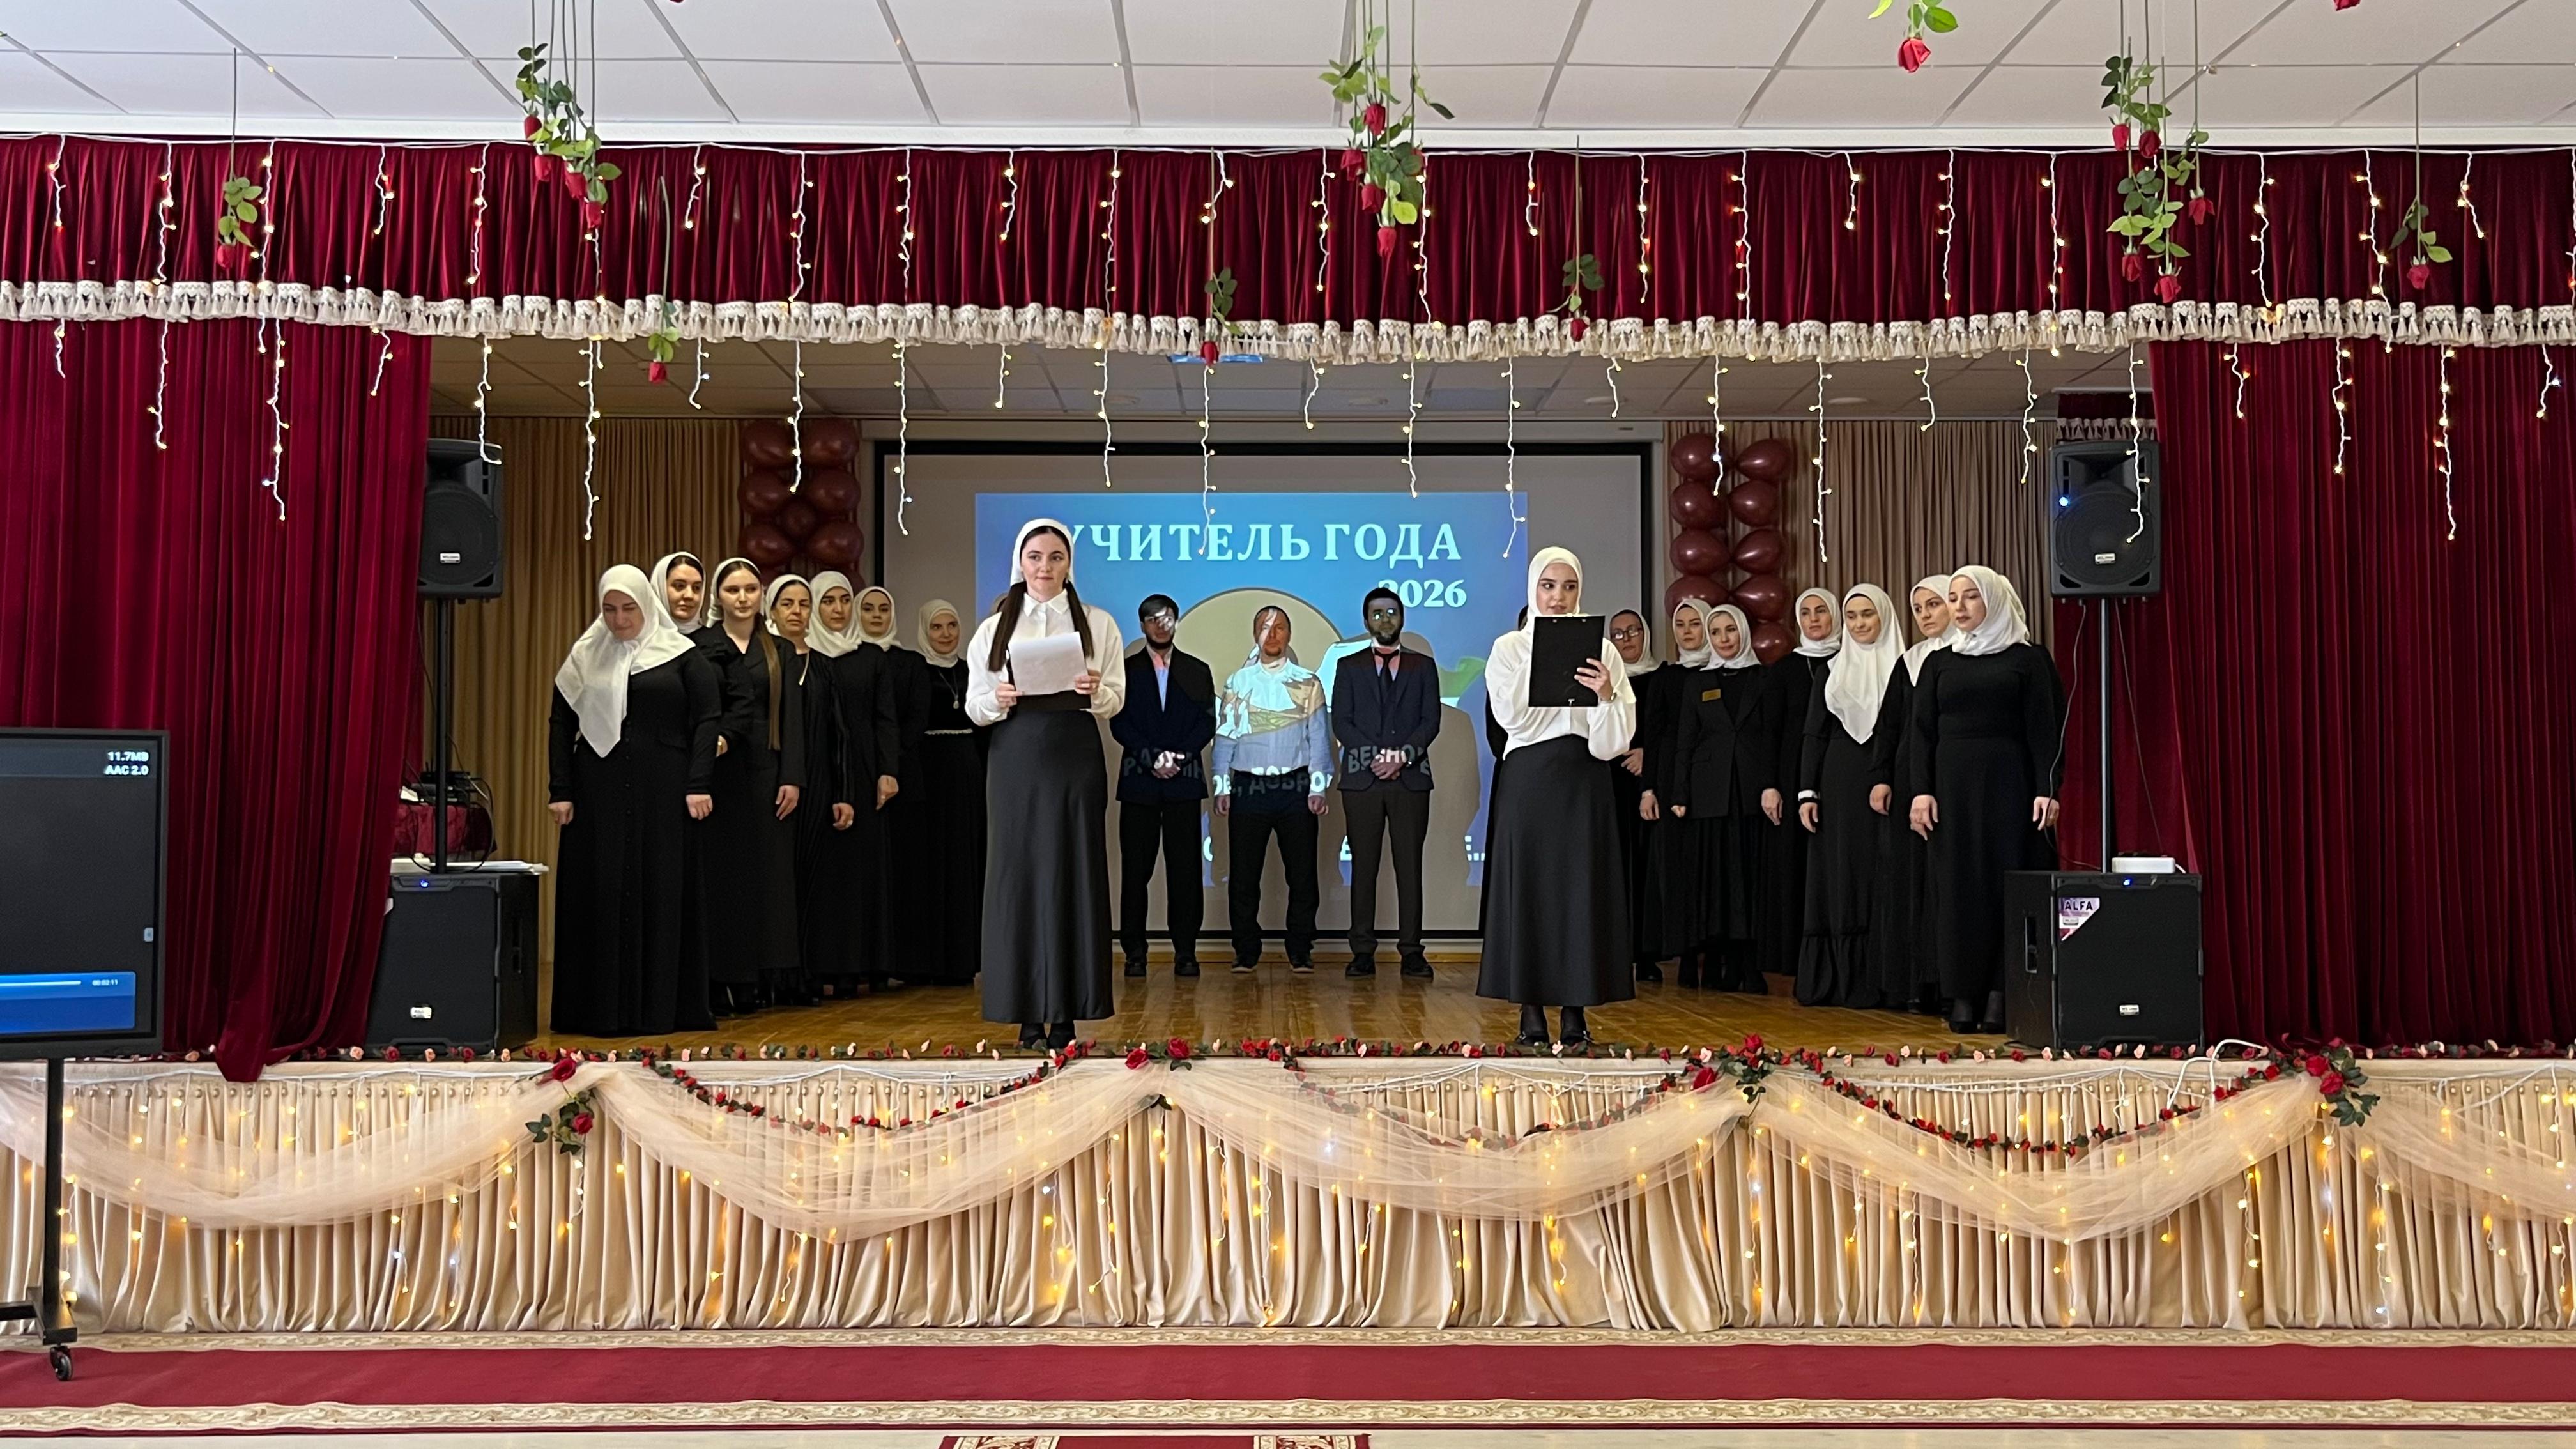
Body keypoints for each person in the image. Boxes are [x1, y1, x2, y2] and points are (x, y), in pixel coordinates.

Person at [967, 521, 1126, 1049]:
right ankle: (1026, 1015)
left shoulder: (1098, 623)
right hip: (1015, 757)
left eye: (1056, 557)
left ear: (1069, 564)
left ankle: (1068, 1017)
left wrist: (1095, 690)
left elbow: (1116, 700)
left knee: (1073, 871)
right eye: (1035, 556)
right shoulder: (995, 629)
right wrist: (998, 700)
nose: (1045, 567)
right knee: (1019, 876)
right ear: (1021, 561)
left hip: (1074, 755)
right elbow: (974, 706)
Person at [548, 565, 719, 1037]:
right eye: (610, 609)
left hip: (664, 793)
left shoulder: (682, 656)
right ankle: (596, 1010)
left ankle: (662, 1008)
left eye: (629, 609)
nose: (619, 619)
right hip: (597, 794)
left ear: (647, 605)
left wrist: (699, 783)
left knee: (660, 889)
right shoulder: (586, 654)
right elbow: (562, 722)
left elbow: (708, 719)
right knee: (601, 889)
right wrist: (561, 790)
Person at [1477, 548, 1634, 1047]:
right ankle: (1530, 1011)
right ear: (1533, 590)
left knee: (1579, 894)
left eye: (1569, 586)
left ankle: (1575, 1011)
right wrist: (1544, 656)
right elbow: (1511, 718)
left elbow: (1615, 741)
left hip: (1585, 782)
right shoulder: (1509, 648)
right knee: (1530, 891)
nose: (1559, 597)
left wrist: (1606, 694)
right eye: (1548, 586)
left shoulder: (1604, 651)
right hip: (1530, 781)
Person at [1908, 565, 2064, 1034]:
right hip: (1952, 791)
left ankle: (2001, 993)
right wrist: (1921, 790)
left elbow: (2046, 729)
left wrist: (2048, 789)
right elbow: (1921, 733)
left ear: (1994, 600)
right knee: (1958, 891)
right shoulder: (1940, 662)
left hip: (2010, 787)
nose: (1958, 606)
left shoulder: (2029, 659)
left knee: (2005, 887)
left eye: (1970, 596)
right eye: (1953, 597)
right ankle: (1963, 993)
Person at [696, 556, 805, 1015]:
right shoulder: (702, 645)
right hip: (719, 773)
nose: (742, 598)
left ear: (762, 596)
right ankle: (721, 976)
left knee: (767, 880)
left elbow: (793, 718)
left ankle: (758, 978)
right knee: (724, 879)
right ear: (718, 598)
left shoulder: (780, 649)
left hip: (766, 771)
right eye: (732, 590)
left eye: (751, 590)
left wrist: (792, 776)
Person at [1795, 585, 1905, 1008]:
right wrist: (1808, 792)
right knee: (1843, 872)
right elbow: (1814, 733)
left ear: (1884, 616)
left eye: (1867, 615)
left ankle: (1888, 979)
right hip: (1840, 779)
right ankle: (1842, 980)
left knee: (1885, 869)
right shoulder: (1832, 668)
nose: (1859, 624)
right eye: (1852, 616)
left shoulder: (1908, 665)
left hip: (1891, 776)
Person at [1212, 605, 1333, 976]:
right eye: (1265, 628)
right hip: (1249, 787)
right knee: (1244, 876)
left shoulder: (1308, 682)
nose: (1273, 634)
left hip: (1295, 787)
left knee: (1303, 875)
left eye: (1280, 627)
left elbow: (1319, 738)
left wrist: (1319, 787)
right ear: (1255, 635)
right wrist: (1221, 784)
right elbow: (1225, 736)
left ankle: (1301, 948)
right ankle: (1246, 950)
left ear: (1289, 634)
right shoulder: (1238, 682)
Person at [1666, 603, 1780, 993]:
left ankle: (1747, 963)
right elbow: (1685, 741)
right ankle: (1713, 959)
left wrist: (1771, 784)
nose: (1724, 639)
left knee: (1747, 879)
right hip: (1707, 795)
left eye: (1730, 630)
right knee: (1713, 882)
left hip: (1750, 793)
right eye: (1716, 632)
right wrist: (1680, 791)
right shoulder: (1698, 683)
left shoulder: (1764, 678)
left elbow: (1771, 737)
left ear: (1743, 632)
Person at [1331, 586, 1442, 980]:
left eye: (1391, 612)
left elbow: (1431, 721)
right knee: (1363, 867)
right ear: (1366, 621)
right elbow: (1342, 722)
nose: (1385, 619)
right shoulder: (1348, 666)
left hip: (1411, 780)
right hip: (1362, 780)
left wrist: (1402, 756)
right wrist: (1378, 757)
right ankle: (1362, 951)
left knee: (1410, 868)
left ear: (1403, 618)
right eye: (1377, 613)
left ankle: (1412, 952)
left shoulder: (1424, 666)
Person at [801, 571, 903, 997]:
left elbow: (885, 718)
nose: (839, 609)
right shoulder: (805, 655)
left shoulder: (870, 657)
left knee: (860, 871)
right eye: (828, 601)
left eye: (845, 600)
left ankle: (860, 966)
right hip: (816, 770)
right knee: (822, 871)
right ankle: (821, 966)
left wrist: (887, 770)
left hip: (862, 771)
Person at [1109, 594, 1215, 979]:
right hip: (1140, 782)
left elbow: (1206, 723)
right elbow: (1119, 722)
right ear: (1142, 625)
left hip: (1183, 784)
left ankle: (1186, 951)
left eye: (1167, 617)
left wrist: (1179, 758)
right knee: (1136, 873)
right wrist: (1152, 758)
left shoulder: (1197, 670)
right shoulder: (1125, 670)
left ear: (1176, 621)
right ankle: (1135, 953)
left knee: (1185, 872)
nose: (1160, 624)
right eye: (1152, 619)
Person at [895, 598, 988, 988]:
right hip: (927, 772)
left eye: (952, 626)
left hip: (966, 772)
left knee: (964, 862)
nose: (946, 634)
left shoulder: (972, 670)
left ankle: (961, 960)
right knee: (928, 863)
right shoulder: (913, 670)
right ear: (924, 630)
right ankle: (926, 961)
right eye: (937, 627)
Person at [1880, 574, 1958, 1013]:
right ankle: (1917, 984)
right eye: (1918, 608)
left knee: (1948, 883)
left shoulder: (1969, 654)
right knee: (1914, 883)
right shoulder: (1910, 661)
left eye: (1935, 605)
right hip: (1912, 783)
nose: (1926, 615)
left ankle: (1951, 984)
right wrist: (1882, 777)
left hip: (1953, 781)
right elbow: (1891, 726)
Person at [1761, 587, 1842, 983]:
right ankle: (1798, 955)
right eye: (1806, 613)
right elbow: (1770, 733)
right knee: (1795, 865)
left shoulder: (1851, 659)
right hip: (1792, 776)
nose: (1813, 620)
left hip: (1839, 775)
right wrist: (1771, 785)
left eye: (1821, 611)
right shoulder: (1784, 670)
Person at [1638, 598, 1713, 984]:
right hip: (1669, 783)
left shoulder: (1722, 673)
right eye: (1680, 625)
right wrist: (1649, 789)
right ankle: (1682, 953)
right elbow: (1653, 735)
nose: (1686, 632)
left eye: (1695, 624)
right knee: (1675, 870)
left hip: (1711, 784)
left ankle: (1711, 953)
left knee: (1708, 869)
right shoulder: (1665, 677)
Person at [1606, 609, 1663, 983]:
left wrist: (1649, 756)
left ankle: (1646, 954)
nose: (1626, 640)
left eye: (1633, 632)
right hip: (1610, 782)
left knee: (1646, 869)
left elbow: (1672, 730)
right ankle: (1614, 952)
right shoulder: (1606, 683)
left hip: (1649, 786)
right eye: (1618, 634)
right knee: (1613, 867)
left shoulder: (1664, 677)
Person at [650, 552, 709, 635]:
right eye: (680, 586)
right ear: (660, 587)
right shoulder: (642, 639)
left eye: (696, 588)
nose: (689, 595)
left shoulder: (716, 640)